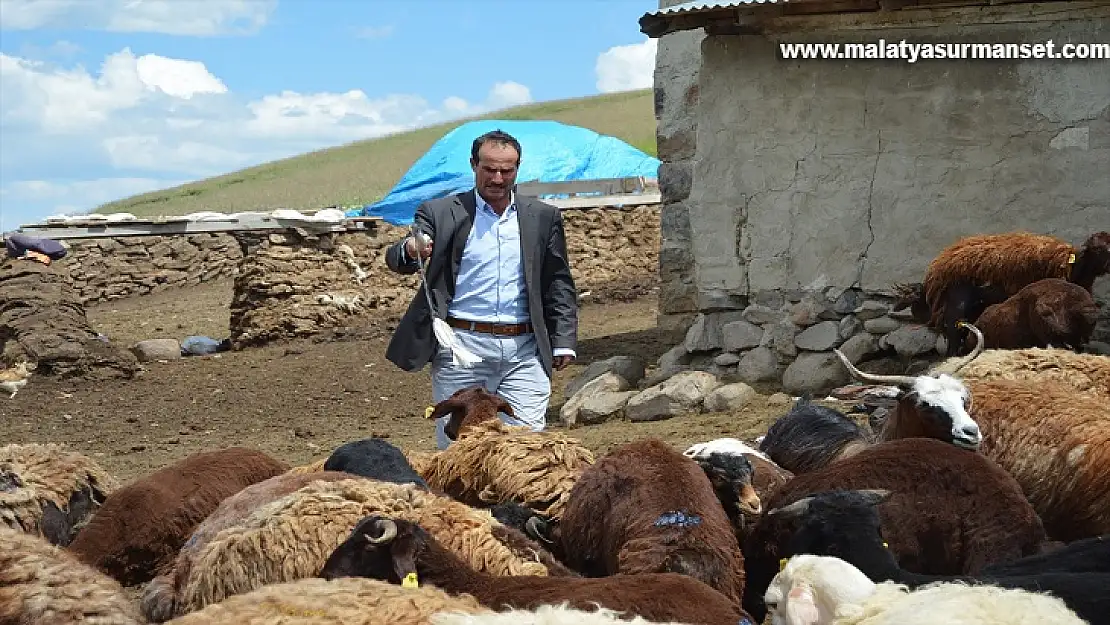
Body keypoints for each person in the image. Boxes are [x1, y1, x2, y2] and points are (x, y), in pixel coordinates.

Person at [384, 129, 578, 449]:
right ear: (474, 165)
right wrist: (411, 248)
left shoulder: (543, 217)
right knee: (461, 450)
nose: (498, 178)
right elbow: (399, 257)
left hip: (525, 351)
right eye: (489, 169)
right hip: (462, 350)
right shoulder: (441, 212)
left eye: (507, 170)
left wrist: (564, 341)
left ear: (518, 168)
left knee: (526, 449)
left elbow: (558, 281)